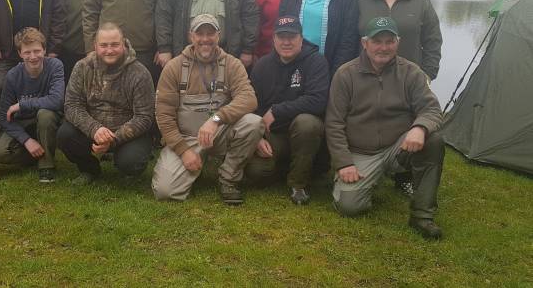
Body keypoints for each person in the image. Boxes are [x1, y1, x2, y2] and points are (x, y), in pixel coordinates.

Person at [326, 16, 445, 239]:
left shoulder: (412, 72)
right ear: (364, 43)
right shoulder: (345, 74)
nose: (383, 47)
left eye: (389, 41)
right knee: (349, 207)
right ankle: (367, 181)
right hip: (360, 152)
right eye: (377, 41)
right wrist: (344, 163)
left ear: (397, 43)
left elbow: (432, 109)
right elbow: (333, 123)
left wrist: (420, 128)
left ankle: (422, 215)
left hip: (397, 147)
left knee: (434, 141)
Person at [152, 14, 264, 205]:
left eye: (210, 33)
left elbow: (249, 99)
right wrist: (183, 151)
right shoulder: (173, 67)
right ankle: (193, 165)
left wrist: (216, 119)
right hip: (186, 138)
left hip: (220, 134)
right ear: (191, 36)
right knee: (165, 191)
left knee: (253, 123)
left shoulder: (232, 64)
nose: (205, 39)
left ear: (218, 36)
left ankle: (228, 178)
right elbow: (163, 116)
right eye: (200, 33)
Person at [244, 16, 329, 204]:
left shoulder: (316, 62)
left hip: (304, 133)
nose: (286, 42)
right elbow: (251, 104)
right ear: (274, 39)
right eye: (281, 37)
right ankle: (289, 167)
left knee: (307, 123)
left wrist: (277, 110)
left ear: (301, 38)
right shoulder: (262, 65)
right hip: (274, 135)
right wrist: (258, 137)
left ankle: (298, 183)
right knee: (255, 172)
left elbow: (318, 100)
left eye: (292, 36)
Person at [57, 22, 155, 184]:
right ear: (95, 46)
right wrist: (94, 129)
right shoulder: (82, 67)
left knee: (131, 161)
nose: (109, 50)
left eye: (115, 44)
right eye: (104, 45)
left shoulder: (140, 73)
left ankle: (127, 167)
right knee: (64, 135)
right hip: (94, 131)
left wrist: (113, 139)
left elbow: (144, 117)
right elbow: (72, 105)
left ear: (123, 44)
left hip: (127, 134)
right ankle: (89, 169)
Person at [0, 27, 64, 183]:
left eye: (37, 51)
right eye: (27, 52)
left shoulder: (55, 66)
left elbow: (57, 100)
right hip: (23, 123)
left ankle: (46, 166)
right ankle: (34, 154)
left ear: (44, 50)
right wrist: (26, 140)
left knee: (45, 114)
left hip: (48, 120)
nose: (33, 57)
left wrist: (22, 105)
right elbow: (3, 116)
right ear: (20, 54)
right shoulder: (12, 76)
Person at [358, 0, 442, 80]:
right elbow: (350, 39)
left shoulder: (421, 1)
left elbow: (433, 41)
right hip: (366, 77)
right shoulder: (362, 1)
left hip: (409, 79)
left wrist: (427, 74)